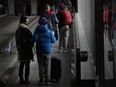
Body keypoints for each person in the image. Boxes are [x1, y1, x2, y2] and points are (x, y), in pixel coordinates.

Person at [33, 17, 56, 85]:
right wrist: (53, 36)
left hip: (39, 50)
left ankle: (41, 80)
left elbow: (35, 39)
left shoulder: (37, 30)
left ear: (39, 23)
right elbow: (53, 40)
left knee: (40, 65)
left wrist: (28, 41)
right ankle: (47, 80)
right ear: (46, 23)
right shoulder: (49, 31)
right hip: (47, 50)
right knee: (46, 65)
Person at [15, 16, 34, 84]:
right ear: (23, 21)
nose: (27, 23)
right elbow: (31, 38)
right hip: (27, 49)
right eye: (26, 21)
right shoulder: (25, 29)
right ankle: (26, 79)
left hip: (20, 50)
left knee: (22, 64)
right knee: (27, 65)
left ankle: (21, 78)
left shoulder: (18, 29)